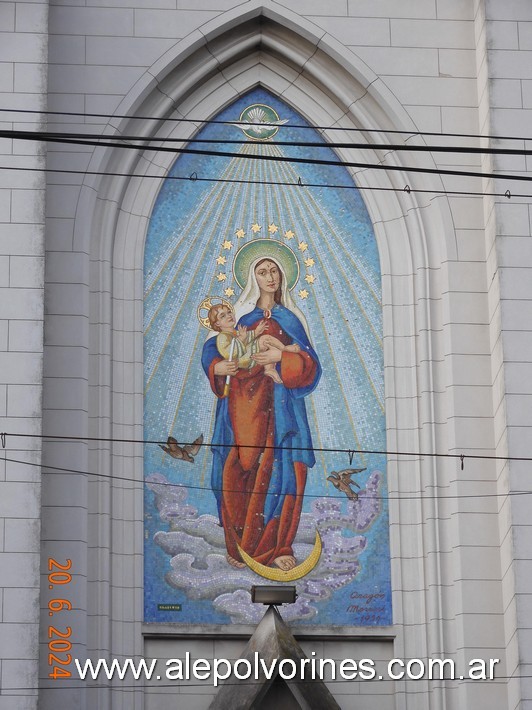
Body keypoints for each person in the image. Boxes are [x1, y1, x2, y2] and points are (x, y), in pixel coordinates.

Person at [201, 256, 321, 571]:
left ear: (283, 276)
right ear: (253, 279)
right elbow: (215, 348)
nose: (270, 277)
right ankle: (240, 544)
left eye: (274, 271)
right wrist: (217, 367)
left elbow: (310, 365)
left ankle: (279, 545)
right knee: (238, 469)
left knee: (284, 469)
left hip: (281, 408)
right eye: (262, 272)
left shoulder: (290, 319)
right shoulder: (242, 317)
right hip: (241, 408)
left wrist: (281, 355)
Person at [207, 302, 302, 384]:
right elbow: (229, 353)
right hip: (242, 360)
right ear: (217, 324)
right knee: (265, 339)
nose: (229, 316)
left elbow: (247, 337)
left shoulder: (235, 332)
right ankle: (284, 349)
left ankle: (269, 368)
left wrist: (256, 332)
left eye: (229, 312)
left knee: (268, 345)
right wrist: (241, 340)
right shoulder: (222, 337)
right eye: (223, 316)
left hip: (246, 355)